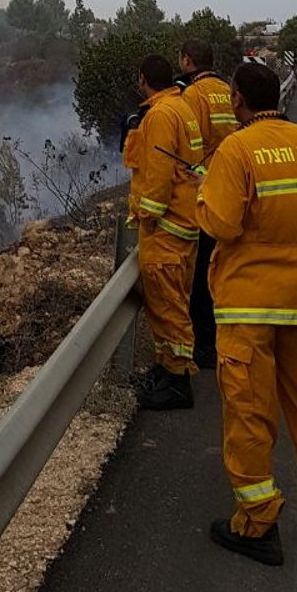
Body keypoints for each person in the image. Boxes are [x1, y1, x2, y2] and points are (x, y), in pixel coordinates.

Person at [197, 61, 297, 566]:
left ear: (238, 100)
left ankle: (257, 521)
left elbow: (222, 223)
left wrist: (204, 191)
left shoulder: (237, 148)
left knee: (249, 412)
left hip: (250, 302)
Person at [124, 53, 205, 411]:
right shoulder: (182, 105)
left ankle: (176, 381)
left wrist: (147, 217)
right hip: (186, 220)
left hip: (166, 227)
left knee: (167, 303)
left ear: (143, 79)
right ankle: (165, 369)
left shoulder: (159, 115)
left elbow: (157, 172)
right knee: (171, 300)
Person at [177, 40, 238, 369]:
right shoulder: (227, 90)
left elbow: (189, 145)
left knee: (202, 273)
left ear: (187, 61)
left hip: (205, 190)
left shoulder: (193, 95)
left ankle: (205, 345)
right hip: (233, 185)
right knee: (224, 267)